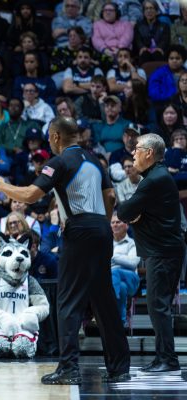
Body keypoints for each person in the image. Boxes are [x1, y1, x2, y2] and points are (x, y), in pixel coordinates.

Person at [0, 116, 131, 384]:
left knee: (68, 300)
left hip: (79, 230)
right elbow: (111, 196)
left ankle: (68, 368)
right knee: (104, 301)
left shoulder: (61, 161)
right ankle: (119, 367)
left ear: (55, 137)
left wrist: (1, 186)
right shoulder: (96, 161)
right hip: (102, 229)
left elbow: (31, 195)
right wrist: (101, 222)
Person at [117, 133, 186, 374]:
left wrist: (135, 214)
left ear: (149, 152)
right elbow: (131, 213)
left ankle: (168, 359)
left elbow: (124, 212)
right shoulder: (156, 177)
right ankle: (162, 358)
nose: (133, 153)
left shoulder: (153, 180)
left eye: (136, 149)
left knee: (158, 307)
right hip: (164, 251)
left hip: (164, 252)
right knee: (158, 306)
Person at [110, 213, 141, 327]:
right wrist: (122, 259)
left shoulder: (133, 243)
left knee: (115, 272)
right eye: (112, 222)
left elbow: (133, 263)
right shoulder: (107, 244)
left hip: (131, 279)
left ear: (126, 225)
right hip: (114, 281)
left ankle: (111, 302)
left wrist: (113, 257)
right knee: (121, 287)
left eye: (118, 222)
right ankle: (121, 322)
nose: (115, 225)